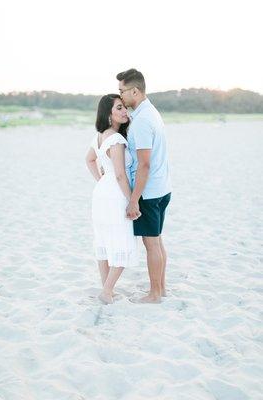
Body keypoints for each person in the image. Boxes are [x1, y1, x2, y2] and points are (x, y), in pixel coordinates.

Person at [117, 69, 172, 303]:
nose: (120, 97)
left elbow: (144, 164)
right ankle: (162, 288)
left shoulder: (142, 120)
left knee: (151, 244)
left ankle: (155, 293)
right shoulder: (151, 112)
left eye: (122, 91)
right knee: (157, 241)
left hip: (149, 193)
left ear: (135, 91)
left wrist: (133, 199)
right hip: (162, 188)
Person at [86, 94, 139, 304]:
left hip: (102, 192)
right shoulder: (116, 139)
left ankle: (106, 289)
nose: (125, 111)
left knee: (105, 240)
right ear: (109, 113)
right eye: (119, 108)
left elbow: (89, 159)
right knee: (121, 241)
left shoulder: (100, 136)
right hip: (115, 193)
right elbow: (120, 174)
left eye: (124, 107)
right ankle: (107, 291)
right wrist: (132, 200)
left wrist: (101, 179)